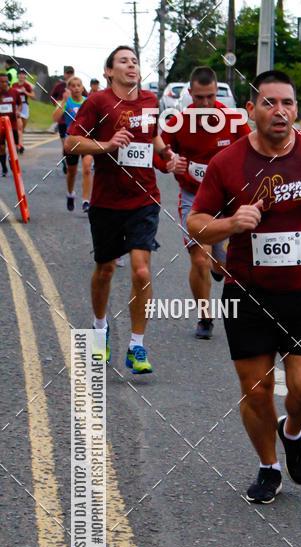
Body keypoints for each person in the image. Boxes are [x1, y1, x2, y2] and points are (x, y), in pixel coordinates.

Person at [187, 70, 301, 504]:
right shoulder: (228, 163)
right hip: (249, 294)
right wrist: (231, 222)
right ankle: (268, 466)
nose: (280, 111)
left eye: (288, 104)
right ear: (251, 111)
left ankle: (291, 430)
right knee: (256, 390)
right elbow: (196, 223)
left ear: (297, 109)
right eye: (269, 103)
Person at [64, 45, 176, 374]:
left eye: (135, 61)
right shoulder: (98, 102)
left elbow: (152, 138)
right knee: (106, 270)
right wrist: (107, 145)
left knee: (141, 270)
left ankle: (137, 345)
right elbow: (71, 143)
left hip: (144, 198)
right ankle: (100, 330)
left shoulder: (150, 101)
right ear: (109, 72)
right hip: (107, 201)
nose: (131, 65)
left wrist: (167, 157)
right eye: (123, 61)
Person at [156, 65, 251, 340]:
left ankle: (219, 267)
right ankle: (205, 317)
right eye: (200, 98)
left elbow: (253, 147)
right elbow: (158, 150)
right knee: (199, 258)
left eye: (210, 96)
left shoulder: (231, 118)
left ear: (216, 91)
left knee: (220, 265)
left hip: (227, 198)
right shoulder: (178, 121)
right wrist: (169, 163)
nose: (206, 104)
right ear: (190, 94)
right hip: (194, 198)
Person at [53, 75, 92, 212]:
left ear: (82, 88)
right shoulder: (66, 102)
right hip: (72, 141)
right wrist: (63, 100)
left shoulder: (88, 101)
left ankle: (86, 201)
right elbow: (55, 117)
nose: (76, 88)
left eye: (78, 85)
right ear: (68, 88)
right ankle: (70, 194)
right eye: (73, 85)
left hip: (87, 140)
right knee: (72, 172)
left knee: (87, 168)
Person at [51, 66, 76, 173]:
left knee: (74, 143)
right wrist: (59, 103)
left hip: (74, 120)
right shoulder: (59, 86)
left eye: (71, 73)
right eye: (67, 73)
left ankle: (73, 162)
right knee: (64, 144)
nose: (69, 75)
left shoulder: (77, 85)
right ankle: (66, 162)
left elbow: (85, 98)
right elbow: (52, 97)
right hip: (62, 120)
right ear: (64, 74)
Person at [0, 71, 22, 176]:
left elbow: (20, 104)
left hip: (12, 125)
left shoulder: (14, 92)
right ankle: (4, 169)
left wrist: (18, 110)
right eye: (1, 82)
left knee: (14, 147)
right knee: (1, 148)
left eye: (5, 81)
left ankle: (11, 160)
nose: (3, 84)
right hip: (0, 126)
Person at [14, 68, 34, 152]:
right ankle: (19, 145)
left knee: (22, 128)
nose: (21, 75)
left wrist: (25, 92)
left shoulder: (27, 85)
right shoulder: (14, 85)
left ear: (25, 76)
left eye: (23, 74)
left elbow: (33, 96)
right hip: (17, 106)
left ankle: (19, 142)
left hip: (25, 107)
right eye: (20, 74)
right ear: (18, 75)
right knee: (19, 126)